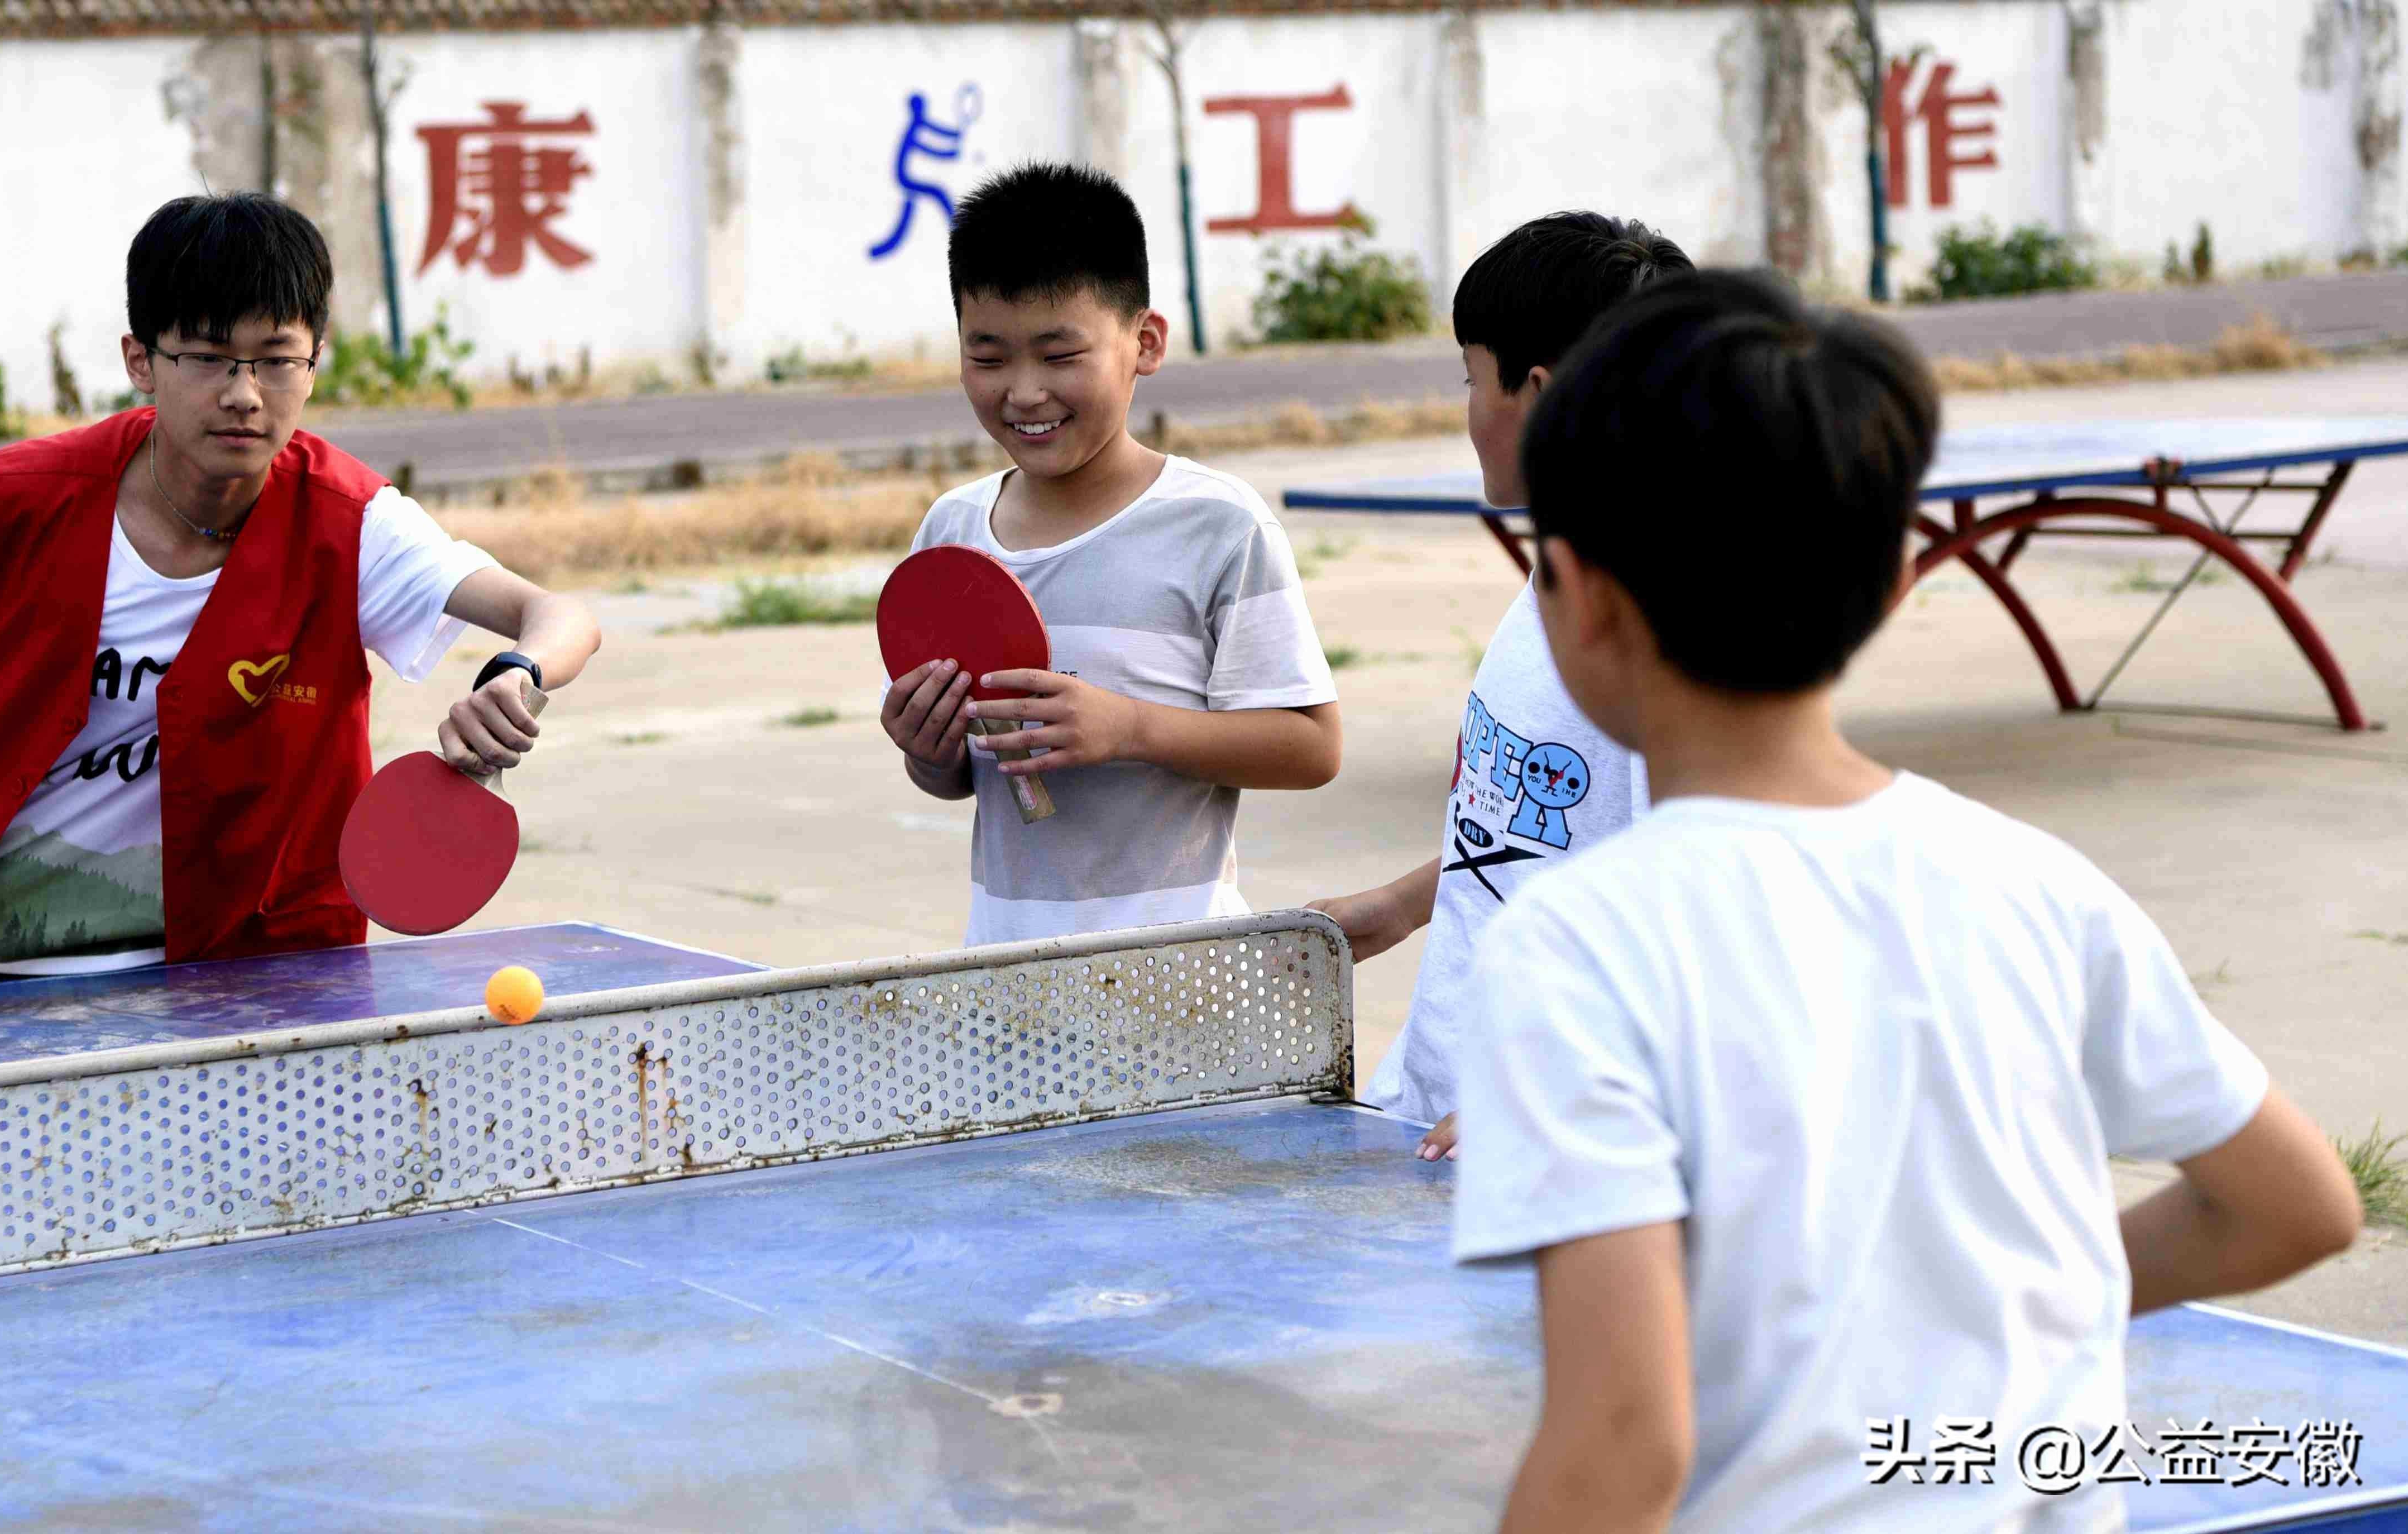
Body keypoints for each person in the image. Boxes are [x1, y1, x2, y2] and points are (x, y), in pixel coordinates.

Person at [1450, 270, 2361, 1533]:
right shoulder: (2035, 882)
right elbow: (2298, 1206)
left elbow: (1622, 1440)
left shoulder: (1571, 949)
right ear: (1894, 581)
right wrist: (2001, 1310)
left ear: (1578, 591)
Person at [0, 192, 599, 1003]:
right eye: (207, 358)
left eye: (277, 359)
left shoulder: (353, 526)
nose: (245, 393)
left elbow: (562, 616)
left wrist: (518, 673)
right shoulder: (21, 495)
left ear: (315, 362)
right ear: (141, 360)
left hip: (199, 980)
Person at [1306, 212, 1690, 1157]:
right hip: (1445, 1104)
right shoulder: (1564, 575)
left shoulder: (1657, 632)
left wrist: (1560, 1100)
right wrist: (1404, 904)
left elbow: (1695, 918)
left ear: (1542, 396)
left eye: (1471, 379)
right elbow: (1557, 841)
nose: (1468, 409)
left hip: (1540, 1144)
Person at [878, 163, 1342, 945]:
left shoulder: (1219, 526)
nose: (1024, 392)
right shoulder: (952, 531)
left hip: (1178, 973)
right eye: (988, 358)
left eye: (1060, 356)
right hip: (1005, 968)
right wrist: (928, 753)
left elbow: (1311, 748)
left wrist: (1129, 728)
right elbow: (959, 780)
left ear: (1145, 343)